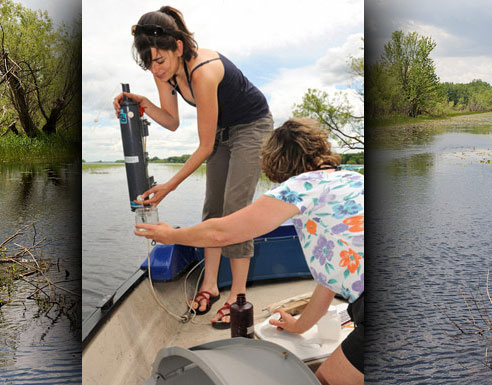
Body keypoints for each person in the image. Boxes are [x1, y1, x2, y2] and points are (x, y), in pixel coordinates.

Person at [135, 118, 364, 385]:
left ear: (280, 164)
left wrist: (170, 235)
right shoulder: (353, 178)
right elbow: (328, 284)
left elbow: (222, 232)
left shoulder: (301, 185)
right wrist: (299, 326)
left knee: (325, 381)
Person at [113, 6, 273, 326]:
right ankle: (210, 285)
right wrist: (142, 102)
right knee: (212, 209)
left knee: (234, 210)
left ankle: (238, 297)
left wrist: (169, 187)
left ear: (179, 47)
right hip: (220, 133)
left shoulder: (204, 71)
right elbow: (171, 121)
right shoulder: (164, 71)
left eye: (159, 61)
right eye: (149, 63)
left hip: (251, 128)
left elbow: (205, 146)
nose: (155, 69)